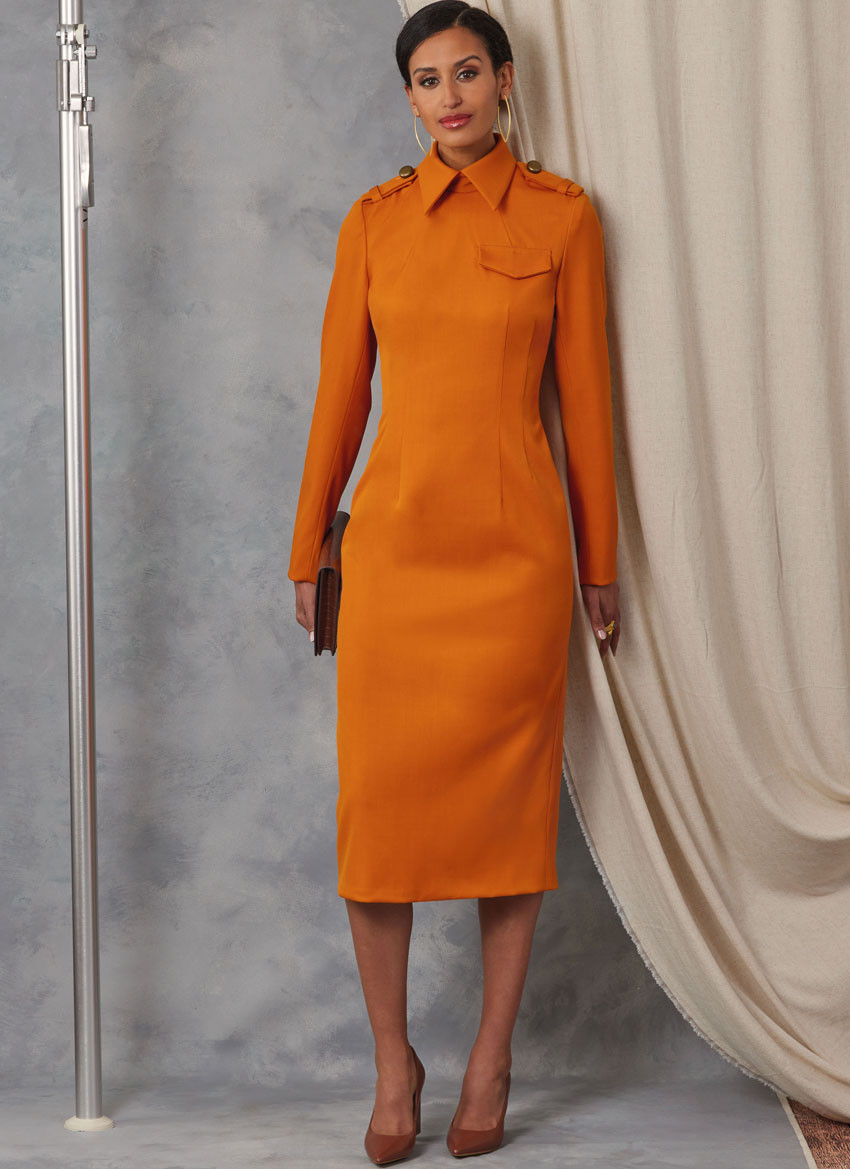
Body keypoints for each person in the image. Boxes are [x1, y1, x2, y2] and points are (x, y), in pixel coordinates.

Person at [288, 1, 621, 1161]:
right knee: (378, 818)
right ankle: (394, 1061)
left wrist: (599, 560)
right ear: (409, 99)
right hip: (390, 559)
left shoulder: (562, 216)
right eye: (427, 80)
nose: (449, 97)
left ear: (505, 80)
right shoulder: (372, 222)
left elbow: (588, 402)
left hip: (515, 563)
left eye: (467, 72)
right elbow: (340, 395)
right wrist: (308, 547)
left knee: (505, 819)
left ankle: (490, 1056)